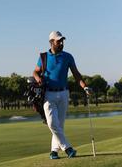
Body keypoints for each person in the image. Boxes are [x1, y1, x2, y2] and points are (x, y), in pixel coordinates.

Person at [33, 31, 91, 159]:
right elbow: (35, 72)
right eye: (58, 41)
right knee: (52, 123)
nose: (61, 43)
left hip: (64, 93)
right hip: (48, 94)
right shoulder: (44, 57)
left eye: (62, 41)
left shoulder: (68, 56)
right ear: (51, 42)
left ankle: (54, 151)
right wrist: (38, 79)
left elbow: (76, 74)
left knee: (59, 125)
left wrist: (84, 86)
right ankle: (68, 148)